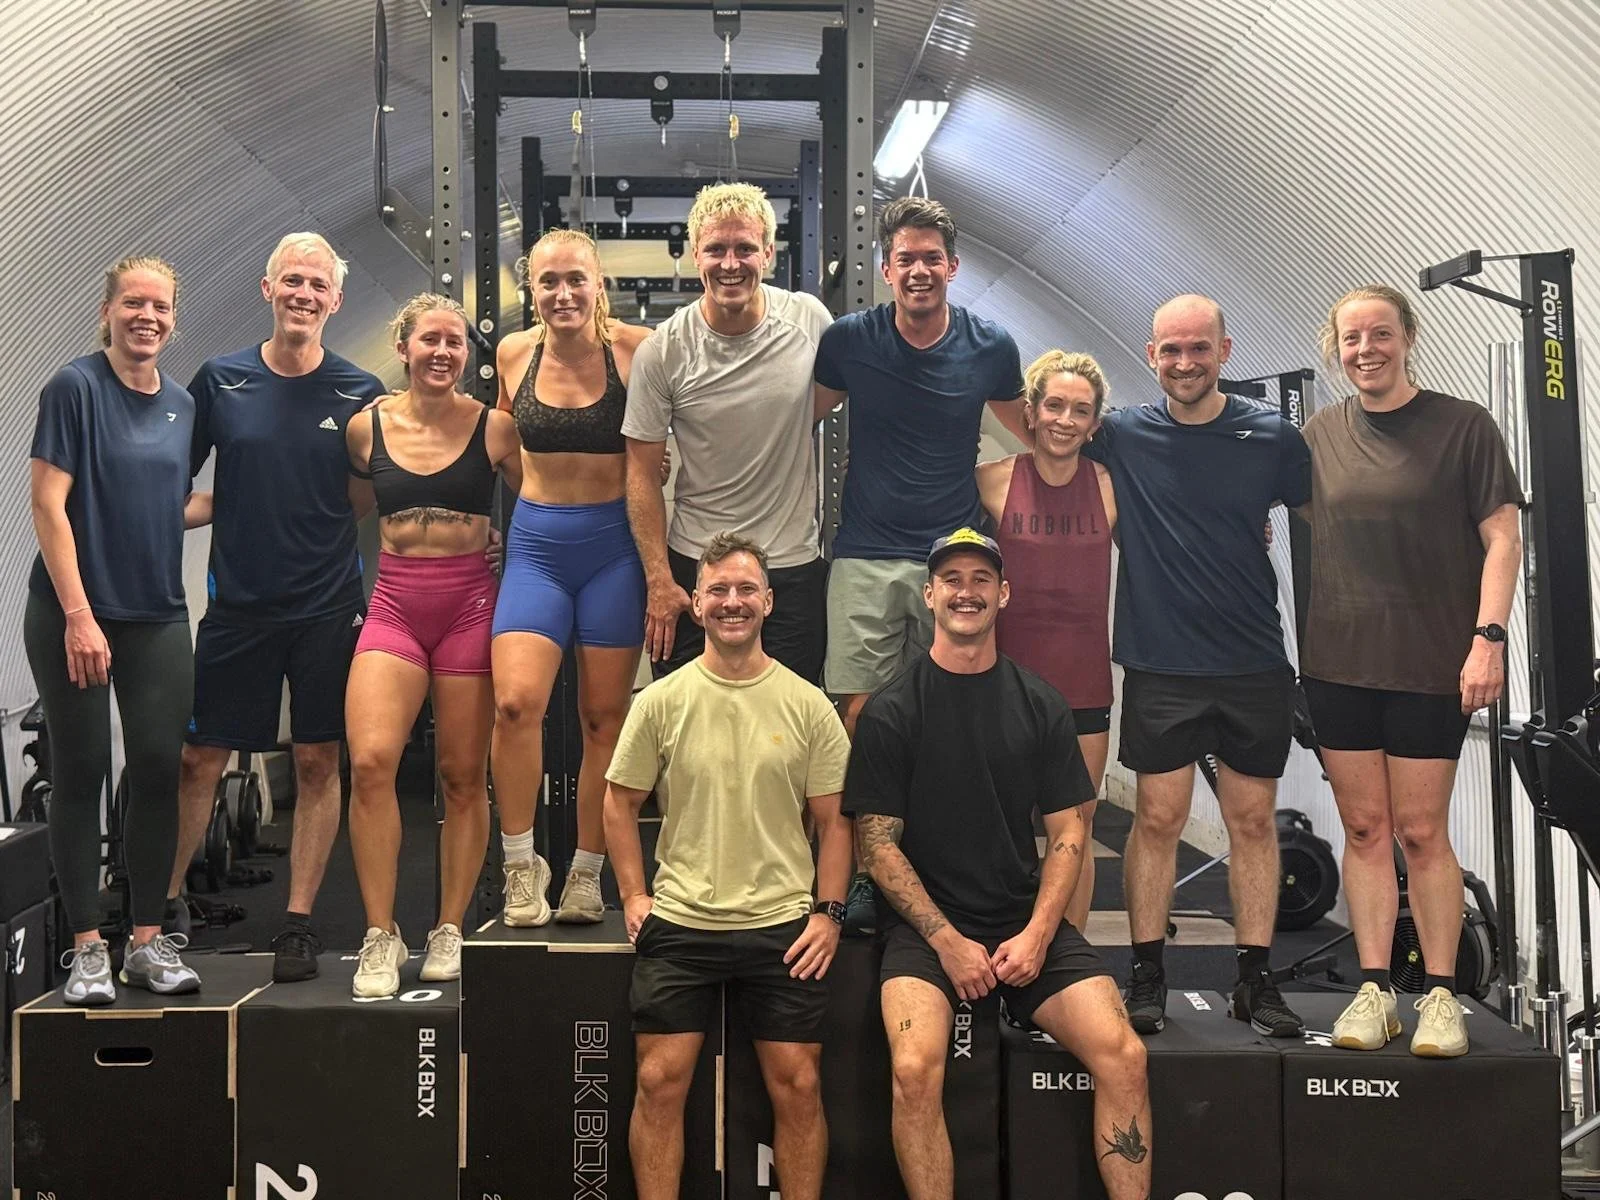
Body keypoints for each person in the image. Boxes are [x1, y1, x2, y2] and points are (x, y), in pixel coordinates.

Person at [847, 529, 1150, 1200]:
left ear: (1003, 594)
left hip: (1021, 921)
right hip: (927, 936)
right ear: (929, 595)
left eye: (981, 579)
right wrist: (947, 941)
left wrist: (1040, 935)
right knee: (916, 1068)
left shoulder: (1039, 703)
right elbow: (876, 846)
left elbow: (1070, 829)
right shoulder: (892, 712)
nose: (966, 591)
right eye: (951, 578)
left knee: (1125, 1055)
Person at [1083, 294, 1311, 1038]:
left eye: (1198, 349)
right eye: (1170, 350)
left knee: (1251, 821)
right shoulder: (1119, 435)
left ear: (1225, 351)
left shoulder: (1271, 436)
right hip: (1160, 663)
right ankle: (1146, 976)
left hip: (1251, 661)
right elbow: (1041, 440)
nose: (1184, 363)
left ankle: (1255, 979)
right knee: (1157, 819)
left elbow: (1336, 521)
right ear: (1150, 356)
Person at [1302, 285, 1521, 1057]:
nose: (1366, 350)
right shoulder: (1317, 436)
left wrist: (1488, 638)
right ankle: (1374, 991)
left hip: (1432, 663)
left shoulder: (1464, 427)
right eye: (1352, 338)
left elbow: (1503, 538)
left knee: (1422, 831)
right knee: (1365, 829)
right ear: (1336, 348)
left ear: (1407, 337)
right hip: (1337, 662)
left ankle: (1440, 995)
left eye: (1380, 335)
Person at [604, 531, 852, 1200]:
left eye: (746, 590)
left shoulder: (809, 706)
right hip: (682, 921)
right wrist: (633, 894)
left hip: (782, 927)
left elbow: (835, 824)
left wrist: (829, 915)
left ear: (769, 602)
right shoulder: (659, 702)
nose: (732, 602)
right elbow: (618, 803)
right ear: (696, 604)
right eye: (718, 590)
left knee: (798, 1086)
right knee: (658, 1083)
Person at [170, 232, 386, 982]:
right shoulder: (220, 381)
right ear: (267, 289)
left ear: (336, 300)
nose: (303, 294)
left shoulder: (362, 392)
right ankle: (162, 912)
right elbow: (180, 486)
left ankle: (296, 924)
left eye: (316, 285)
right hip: (238, 607)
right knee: (201, 758)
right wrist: (128, 522)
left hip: (329, 609)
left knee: (320, 761)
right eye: (291, 280)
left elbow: (370, 495)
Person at [29, 256, 205, 1004]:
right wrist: (78, 617)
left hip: (157, 612)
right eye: (134, 303)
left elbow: (172, 502)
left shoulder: (181, 405)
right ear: (107, 311)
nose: (148, 317)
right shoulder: (75, 387)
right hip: (75, 615)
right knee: (83, 770)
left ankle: (144, 940)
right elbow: (48, 505)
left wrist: (261, 499)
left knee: (161, 768)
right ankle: (86, 947)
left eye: (160, 307)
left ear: (173, 318)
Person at [342, 294, 522, 998]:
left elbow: (546, 503)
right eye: (430, 341)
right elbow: (344, 507)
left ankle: (448, 926)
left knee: (459, 775)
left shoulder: (496, 429)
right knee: (372, 762)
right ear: (404, 348)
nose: (443, 352)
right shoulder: (365, 430)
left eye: (455, 343)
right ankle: (379, 934)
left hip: (471, 601)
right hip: (394, 603)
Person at [812, 196, 1029, 739]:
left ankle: (942, 826)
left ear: (952, 267)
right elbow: (793, 424)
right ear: (886, 270)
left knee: (953, 716)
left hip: (952, 556)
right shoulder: (849, 341)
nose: (919, 271)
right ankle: (872, 828)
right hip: (864, 557)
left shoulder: (989, 348)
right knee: (863, 720)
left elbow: (1041, 436)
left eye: (931, 258)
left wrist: (1118, 474)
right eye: (905, 259)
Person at [490, 228, 652, 926]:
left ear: (598, 284)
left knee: (601, 719)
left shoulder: (635, 351)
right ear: (531, 288)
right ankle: (521, 864)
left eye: (575, 280)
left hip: (614, 549)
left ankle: (586, 871)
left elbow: (663, 439)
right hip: (537, 548)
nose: (563, 294)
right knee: (516, 704)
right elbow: (497, 436)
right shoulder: (513, 353)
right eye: (548, 281)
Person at [624, 182, 833, 684]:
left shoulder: (809, 321)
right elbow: (640, 473)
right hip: (698, 567)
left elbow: (842, 397)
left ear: (769, 252)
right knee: (689, 734)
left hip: (790, 566)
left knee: (788, 727)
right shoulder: (664, 350)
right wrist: (658, 579)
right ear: (696, 255)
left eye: (745, 248)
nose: (731, 263)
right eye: (716, 249)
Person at [977, 350, 1116, 935]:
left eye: (1079, 411)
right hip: (1005, 684)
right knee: (1000, 825)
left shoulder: (1112, 487)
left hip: (1084, 686)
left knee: (1074, 828)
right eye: (1054, 405)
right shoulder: (991, 481)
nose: (1065, 419)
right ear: (1030, 412)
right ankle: (994, 954)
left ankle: (1069, 960)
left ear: (1095, 425)